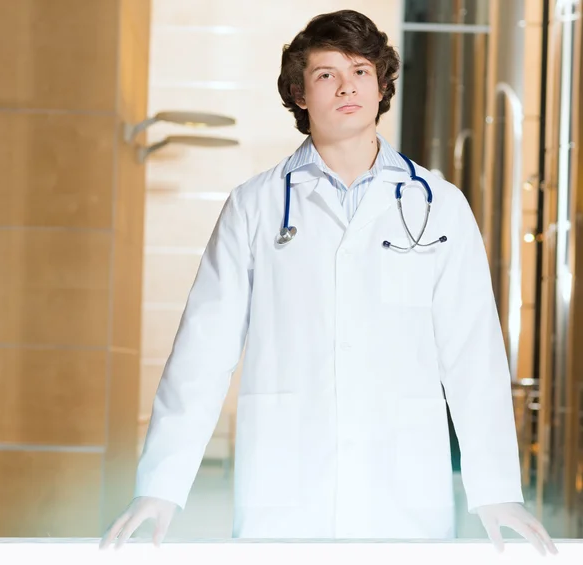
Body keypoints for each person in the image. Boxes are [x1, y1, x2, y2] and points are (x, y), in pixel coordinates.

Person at [100, 9, 557, 555]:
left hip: (405, 483)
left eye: (362, 71)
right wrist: (160, 487)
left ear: (382, 85)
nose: (348, 86)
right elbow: (202, 351)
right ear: (299, 93)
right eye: (326, 74)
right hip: (286, 482)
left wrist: (497, 490)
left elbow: (472, 354)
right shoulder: (255, 206)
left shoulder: (439, 205)